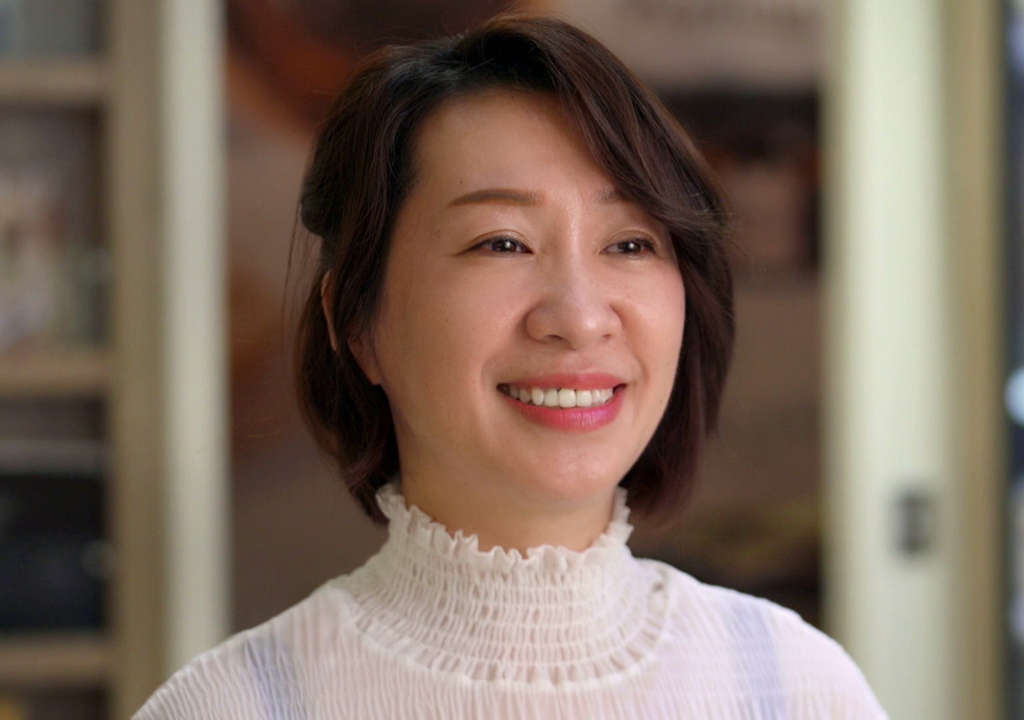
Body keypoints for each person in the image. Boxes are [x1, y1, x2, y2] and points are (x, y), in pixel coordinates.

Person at [136, 14, 886, 719]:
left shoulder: (788, 683)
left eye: (630, 243)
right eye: (502, 242)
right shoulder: (242, 704)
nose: (580, 316)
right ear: (356, 323)